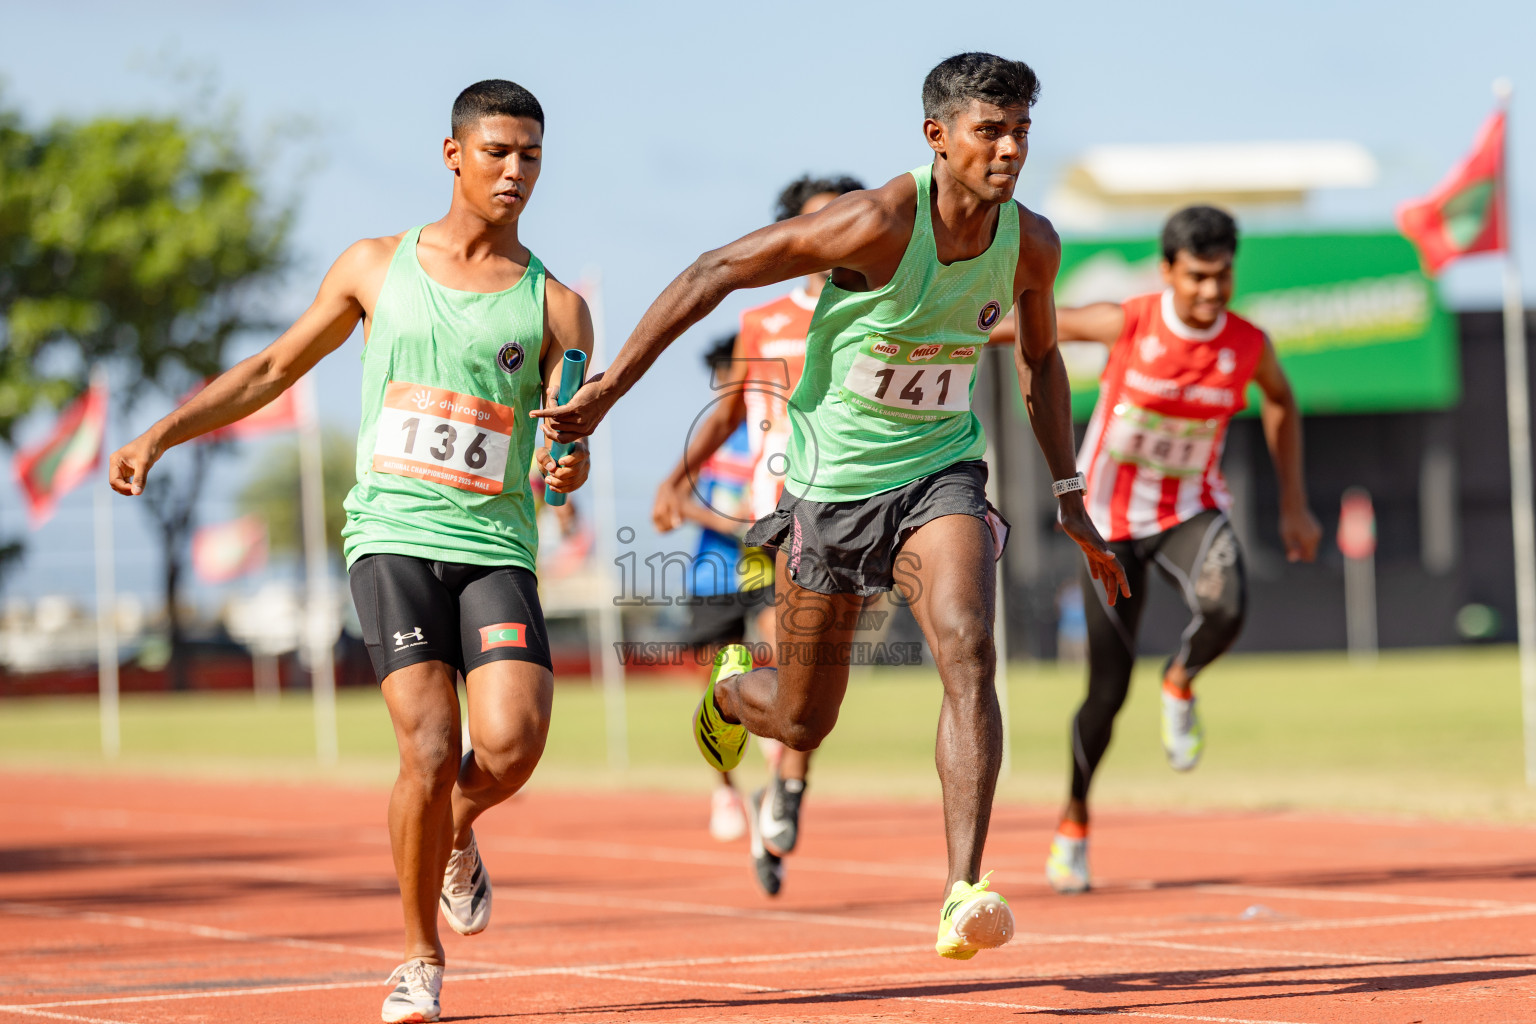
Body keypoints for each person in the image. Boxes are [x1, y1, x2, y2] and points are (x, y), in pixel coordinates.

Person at [538, 53, 1128, 961]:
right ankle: (731, 691)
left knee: (969, 646)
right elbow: (714, 270)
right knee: (805, 721)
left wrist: (1068, 494)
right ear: (938, 138)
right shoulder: (878, 222)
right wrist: (608, 391)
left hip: (940, 476)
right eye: (990, 131)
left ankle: (961, 889)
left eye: (1021, 131)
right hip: (829, 494)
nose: (1010, 149)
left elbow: (1041, 360)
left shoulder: (1031, 241)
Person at [108, 79, 592, 1023]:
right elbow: (271, 368)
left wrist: (567, 470)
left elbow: (566, 445)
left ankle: (456, 828)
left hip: (496, 545)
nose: (515, 171)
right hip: (393, 540)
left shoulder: (558, 308)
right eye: (497, 151)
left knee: (513, 743)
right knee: (427, 745)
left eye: (530, 155)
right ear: (453, 154)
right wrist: (160, 434)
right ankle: (419, 959)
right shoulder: (377, 266)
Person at [1041, 205, 1321, 893]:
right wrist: (944, 326)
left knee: (1226, 607)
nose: (1209, 292)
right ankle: (1074, 820)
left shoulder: (1247, 343)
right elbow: (1034, 326)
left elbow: (1281, 402)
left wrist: (1293, 503)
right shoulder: (1130, 321)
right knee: (1105, 693)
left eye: (1221, 277)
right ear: (1168, 270)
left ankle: (1181, 679)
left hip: (1189, 509)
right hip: (1108, 526)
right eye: (1196, 277)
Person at [652, 175, 865, 897]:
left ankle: (789, 792)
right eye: (822, 222)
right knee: (737, 671)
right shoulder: (765, 319)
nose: (841, 231)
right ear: (793, 238)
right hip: (757, 528)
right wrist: (675, 479)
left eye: (851, 217)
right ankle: (729, 782)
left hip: (834, 519)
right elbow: (726, 413)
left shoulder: (884, 310)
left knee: (797, 670)